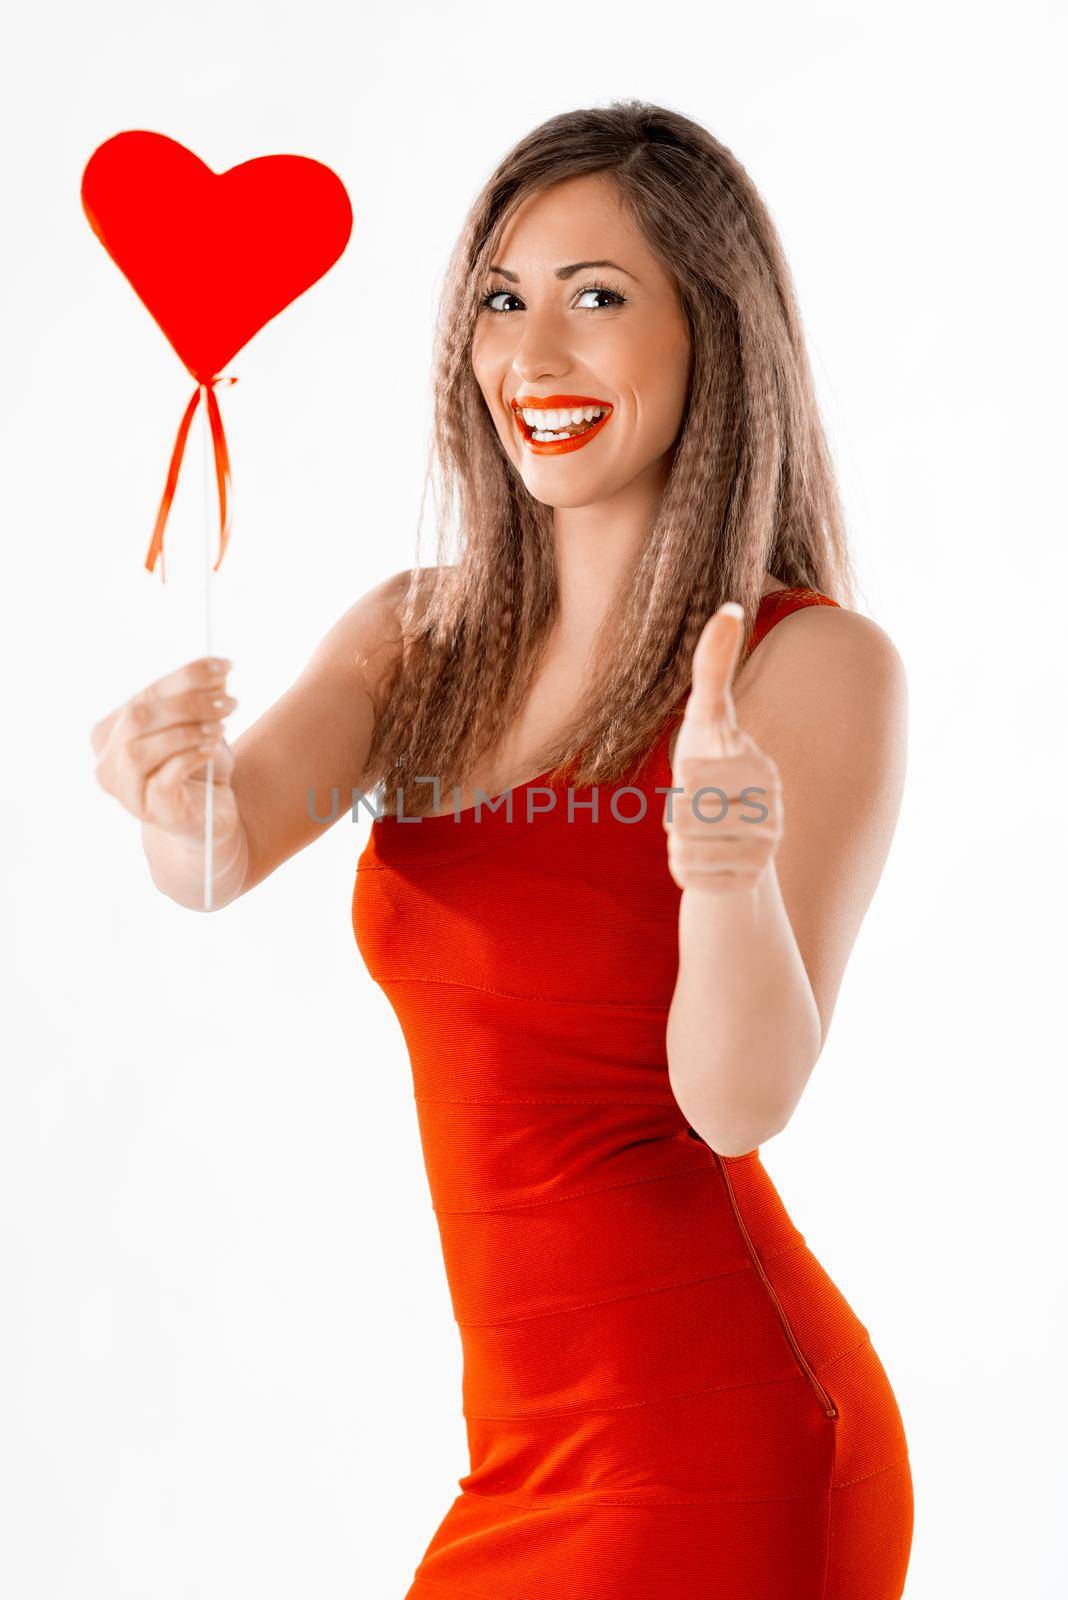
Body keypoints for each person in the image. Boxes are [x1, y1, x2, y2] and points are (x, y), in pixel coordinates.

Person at [92, 101, 913, 1598]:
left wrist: (721, 875)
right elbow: (217, 852)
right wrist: (163, 789)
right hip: (521, 1462)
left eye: (597, 298)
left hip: (723, 1442)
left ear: (711, 334)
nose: (530, 360)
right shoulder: (426, 638)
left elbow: (739, 1106)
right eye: (500, 298)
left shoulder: (812, 666)